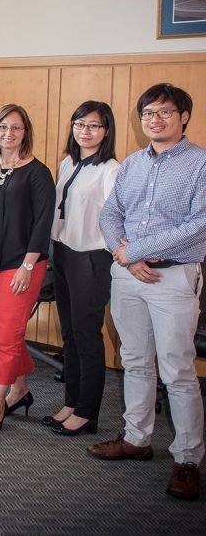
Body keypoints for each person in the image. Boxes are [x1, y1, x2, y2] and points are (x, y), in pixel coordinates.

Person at [91, 83, 205, 502]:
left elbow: (198, 225)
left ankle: (188, 459)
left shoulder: (200, 164)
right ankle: (137, 439)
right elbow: (111, 212)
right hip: (128, 274)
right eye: (148, 114)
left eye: (165, 113)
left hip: (173, 278)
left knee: (177, 371)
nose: (155, 120)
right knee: (135, 361)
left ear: (184, 117)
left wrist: (134, 251)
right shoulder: (134, 164)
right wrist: (125, 255)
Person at [0, 104, 54, 433]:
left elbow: (43, 223)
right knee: (3, 329)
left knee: (6, 336)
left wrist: (28, 266)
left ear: (25, 133)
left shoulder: (38, 173)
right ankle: (20, 388)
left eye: (16, 128)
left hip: (23, 266)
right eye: (3, 127)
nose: (9, 133)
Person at [45, 101, 119, 436]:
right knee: (71, 336)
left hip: (91, 258)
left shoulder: (111, 170)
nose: (84, 131)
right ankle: (71, 403)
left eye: (93, 125)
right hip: (63, 254)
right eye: (79, 123)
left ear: (106, 131)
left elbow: (116, 221)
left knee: (87, 336)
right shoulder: (69, 161)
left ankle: (88, 413)